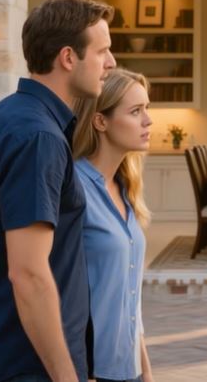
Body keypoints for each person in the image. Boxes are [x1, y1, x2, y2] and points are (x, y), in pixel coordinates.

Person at [0, 0, 116, 382]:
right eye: (103, 51)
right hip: (22, 367)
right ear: (68, 57)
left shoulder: (6, 116)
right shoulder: (37, 137)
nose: (110, 63)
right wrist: (65, 376)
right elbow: (28, 273)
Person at [72, 68, 154, 382]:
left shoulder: (125, 187)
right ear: (100, 121)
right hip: (92, 372)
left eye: (147, 109)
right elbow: (61, 291)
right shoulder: (75, 189)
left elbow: (130, 299)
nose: (148, 120)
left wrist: (146, 372)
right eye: (136, 111)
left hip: (127, 369)